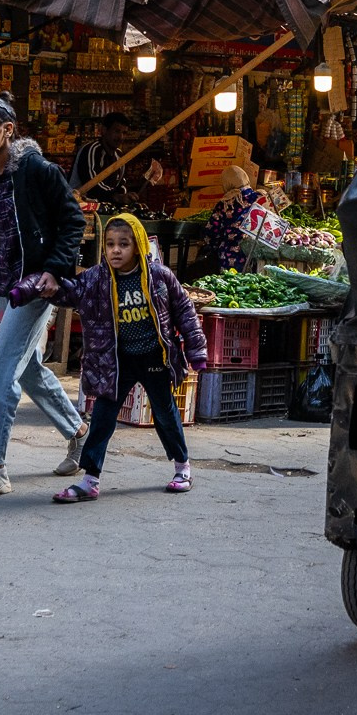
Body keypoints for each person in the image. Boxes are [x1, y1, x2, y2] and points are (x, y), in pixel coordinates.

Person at [0, 97, 90, 500]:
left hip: (33, 288)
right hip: (2, 288)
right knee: (28, 368)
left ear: (8, 129)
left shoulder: (37, 170)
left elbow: (73, 220)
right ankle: (80, 432)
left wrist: (54, 269)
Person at [51, 214, 209, 501]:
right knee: (102, 417)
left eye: (124, 244)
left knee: (165, 413)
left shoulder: (160, 276)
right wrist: (37, 286)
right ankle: (90, 480)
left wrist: (196, 351)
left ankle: (182, 467)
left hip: (154, 358)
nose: (116, 250)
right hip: (116, 361)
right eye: (110, 244)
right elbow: (67, 292)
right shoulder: (96, 278)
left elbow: (185, 311)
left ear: (138, 246)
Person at [69, 113, 128, 191]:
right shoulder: (91, 150)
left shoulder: (119, 155)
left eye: (124, 133)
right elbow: (92, 186)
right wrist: (115, 196)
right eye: (117, 131)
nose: (121, 137)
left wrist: (125, 194)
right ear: (104, 130)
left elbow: (120, 184)